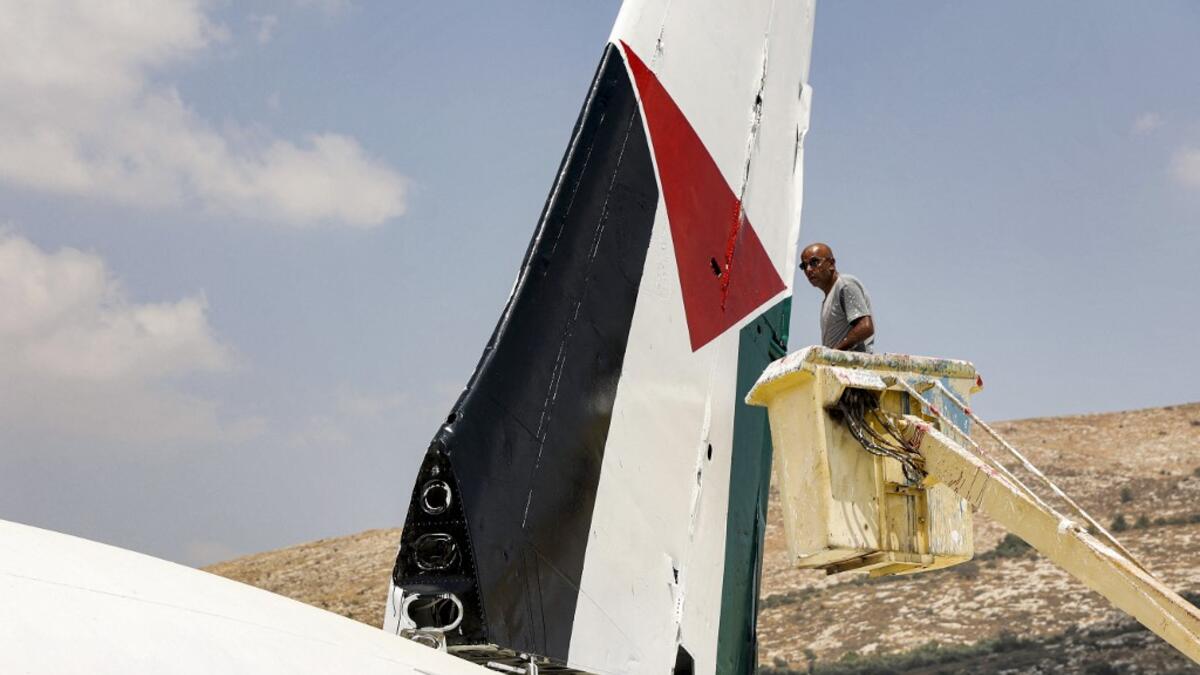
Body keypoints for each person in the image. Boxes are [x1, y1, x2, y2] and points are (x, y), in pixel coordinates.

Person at [799, 243, 875, 352]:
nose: (808, 269)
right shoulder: (829, 297)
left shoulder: (845, 284)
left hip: (853, 361)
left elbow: (865, 327)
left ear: (831, 263)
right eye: (804, 266)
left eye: (814, 262)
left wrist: (833, 353)